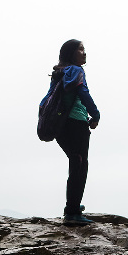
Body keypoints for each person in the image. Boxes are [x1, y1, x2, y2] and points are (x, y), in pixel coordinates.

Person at [42, 39, 101, 225]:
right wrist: (96, 114)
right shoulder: (76, 71)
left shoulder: (59, 72)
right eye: (81, 49)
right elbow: (83, 93)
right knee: (80, 164)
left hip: (59, 125)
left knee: (75, 162)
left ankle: (73, 206)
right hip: (75, 122)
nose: (84, 52)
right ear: (71, 53)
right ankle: (72, 212)